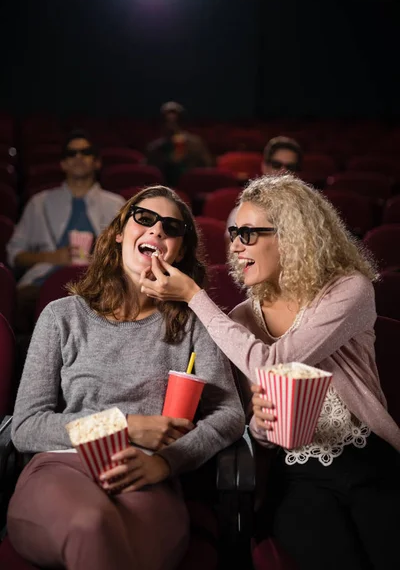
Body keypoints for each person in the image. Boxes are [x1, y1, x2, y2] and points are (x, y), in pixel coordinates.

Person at [140, 174, 400, 570]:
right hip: (298, 477)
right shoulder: (241, 319)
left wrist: (195, 297)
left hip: (370, 461)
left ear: (292, 236)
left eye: (248, 233)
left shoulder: (350, 289)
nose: (235, 246)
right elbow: (262, 432)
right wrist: (260, 425)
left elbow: (274, 364)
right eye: (233, 233)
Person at [8, 185, 244, 570]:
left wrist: (168, 461)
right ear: (120, 231)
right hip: (63, 467)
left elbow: (229, 415)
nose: (156, 231)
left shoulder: (193, 322)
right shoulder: (62, 316)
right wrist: (125, 425)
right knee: (91, 524)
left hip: (147, 474)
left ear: (180, 251)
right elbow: (27, 427)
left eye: (171, 227)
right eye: (145, 219)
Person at [7, 130, 125, 333]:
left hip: (101, 287)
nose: (78, 157)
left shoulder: (116, 205)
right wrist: (52, 257)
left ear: (97, 162)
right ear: (63, 164)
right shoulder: (39, 203)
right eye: (71, 154)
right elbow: (15, 255)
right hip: (41, 285)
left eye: (85, 152)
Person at [225, 135, 303, 237]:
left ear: (297, 173)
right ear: (264, 167)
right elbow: (234, 251)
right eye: (276, 165)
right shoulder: (242, 212)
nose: (283, 171)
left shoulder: (308, 214)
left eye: (290, 167)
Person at [146, 101, 213, 187]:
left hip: (191, 188)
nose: (172, 122)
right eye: (168, 121)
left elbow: (207, 168)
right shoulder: (154, 148)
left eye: (175, 121)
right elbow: (150, 176)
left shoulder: (196, 143)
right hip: (163, 189)